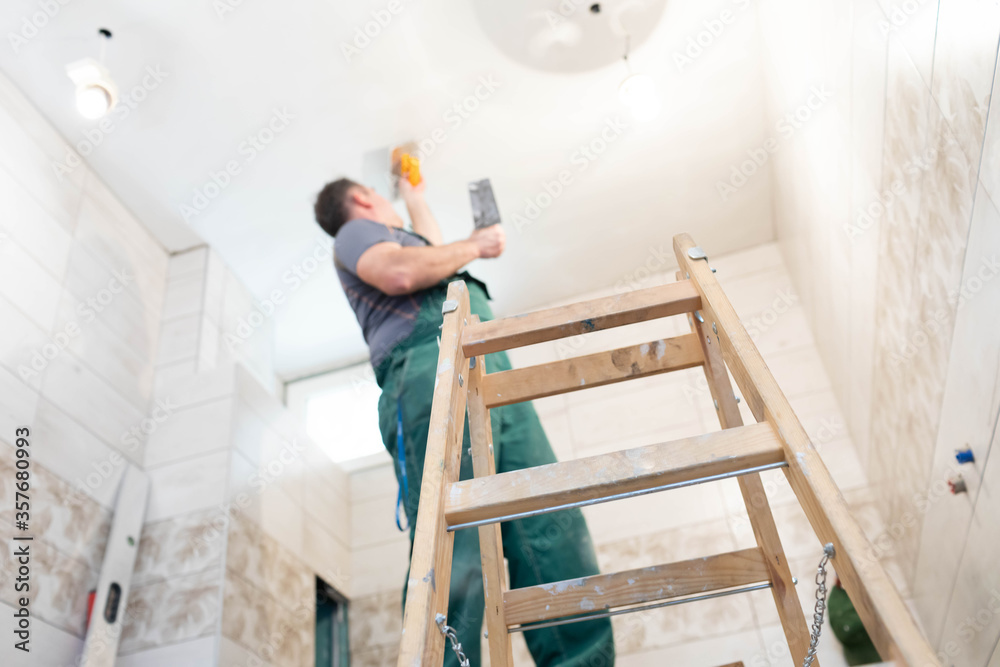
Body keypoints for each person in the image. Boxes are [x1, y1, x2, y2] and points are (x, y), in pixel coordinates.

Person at [314, 175, 615, 666]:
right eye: (382, 196)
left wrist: (414, 194)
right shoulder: (354, 232)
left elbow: (429, 248)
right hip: (428, 366)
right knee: (456, 541)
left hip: (485, 363)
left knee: (546, 514)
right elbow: (399, 273)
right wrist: (475, 245)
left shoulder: (410, 242)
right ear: (363, 198)